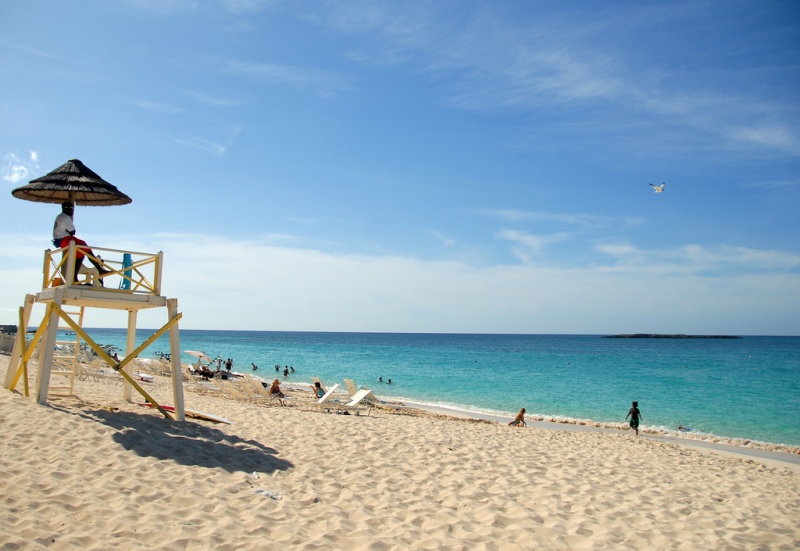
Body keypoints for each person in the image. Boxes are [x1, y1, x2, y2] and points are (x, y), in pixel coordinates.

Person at [52, 201, 111, 284]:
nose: (72, 211)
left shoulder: (60, 216)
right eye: (70, 209)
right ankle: (99, 269)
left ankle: (75, 277)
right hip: (64, 239)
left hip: (60, 239)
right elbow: (73, 232)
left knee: (81, 252)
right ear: (65, 209)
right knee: (85, 247)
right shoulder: (66, 218)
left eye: (72, 209)